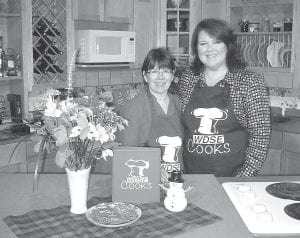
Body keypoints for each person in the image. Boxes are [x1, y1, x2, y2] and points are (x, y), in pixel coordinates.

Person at [177, 18, 271, 177]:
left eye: (216, 42)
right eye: (203, 44)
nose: (209, 49)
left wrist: (240, 178)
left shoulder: (249, 82)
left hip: (233, 177)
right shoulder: (188, 79)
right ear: (196, 48)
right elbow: (177, 125)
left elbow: (260, 139)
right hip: (190, 175)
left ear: (228, 46)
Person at [117, 47, 184, 180]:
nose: (160, 77)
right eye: (154, 71)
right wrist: (154, 168)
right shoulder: (134, 108)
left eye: (165, 71)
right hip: (148, 179)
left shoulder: (178, 102)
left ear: (173, 74)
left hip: (178, 176)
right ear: (145, 76)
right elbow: (127, 151)